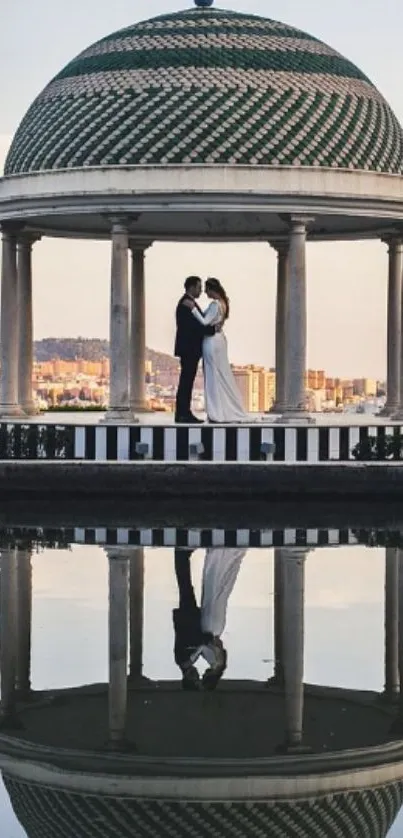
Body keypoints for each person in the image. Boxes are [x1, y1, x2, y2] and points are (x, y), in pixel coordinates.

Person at [183, 277, 248, 423]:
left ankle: (216, 412)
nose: (205, 293)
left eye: (206, 290)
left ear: (213, 290)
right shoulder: (223, 303)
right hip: (219, 340)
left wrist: (193, 309)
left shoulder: (215, 304)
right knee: (220, 374)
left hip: (212, 341)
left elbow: (205, 321)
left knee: (213, 375)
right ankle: (220, 409)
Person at [174, 276, 216, 424]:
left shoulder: (189, 302)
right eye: (198, 287)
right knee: (186, 380)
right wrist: (212, 330)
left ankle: (184, 412)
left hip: (189, 348)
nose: (200, 290)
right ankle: (183, 413)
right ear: (191, 287)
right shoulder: (186, 303)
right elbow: (194, 327)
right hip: (189, 348)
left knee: (187, 380)